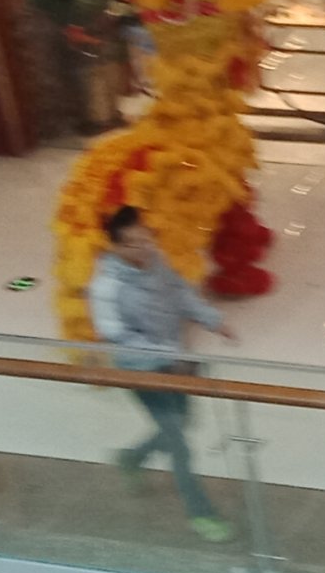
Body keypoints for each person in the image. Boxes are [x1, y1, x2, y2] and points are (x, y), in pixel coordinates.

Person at [89, 204, 236, 542]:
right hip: (142, 373)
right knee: (179, 444)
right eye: (135, 243)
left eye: (147, 238)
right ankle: (201, 514)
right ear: (117, 246)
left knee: (182, 423)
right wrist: (169, 356)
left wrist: (213, 320)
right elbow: (115, 335)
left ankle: (132, 457)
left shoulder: (155, 260)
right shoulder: (106, 287)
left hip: (175, 363)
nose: (145, 247)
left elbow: (180, 292)